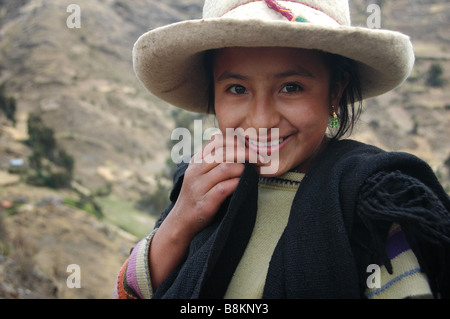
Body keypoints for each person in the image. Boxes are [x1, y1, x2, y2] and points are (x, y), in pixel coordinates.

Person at [115, 0, 450, 299]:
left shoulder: (367, 207)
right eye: (237, 88)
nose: (261, 121)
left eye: (291, 87)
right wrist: (181, 221)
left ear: (335, 91)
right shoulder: (203, 184)